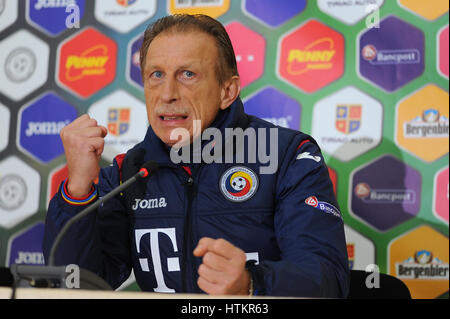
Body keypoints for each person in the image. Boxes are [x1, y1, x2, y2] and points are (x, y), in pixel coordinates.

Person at [43, 14, 349, 297]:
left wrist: (251, 283)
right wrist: (78, 189)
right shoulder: (127, 173)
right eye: (156, 75)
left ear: (227, 91)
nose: (167, 94)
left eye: (187, 74)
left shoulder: (287, 156)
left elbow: (327, 277)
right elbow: (78, 284)